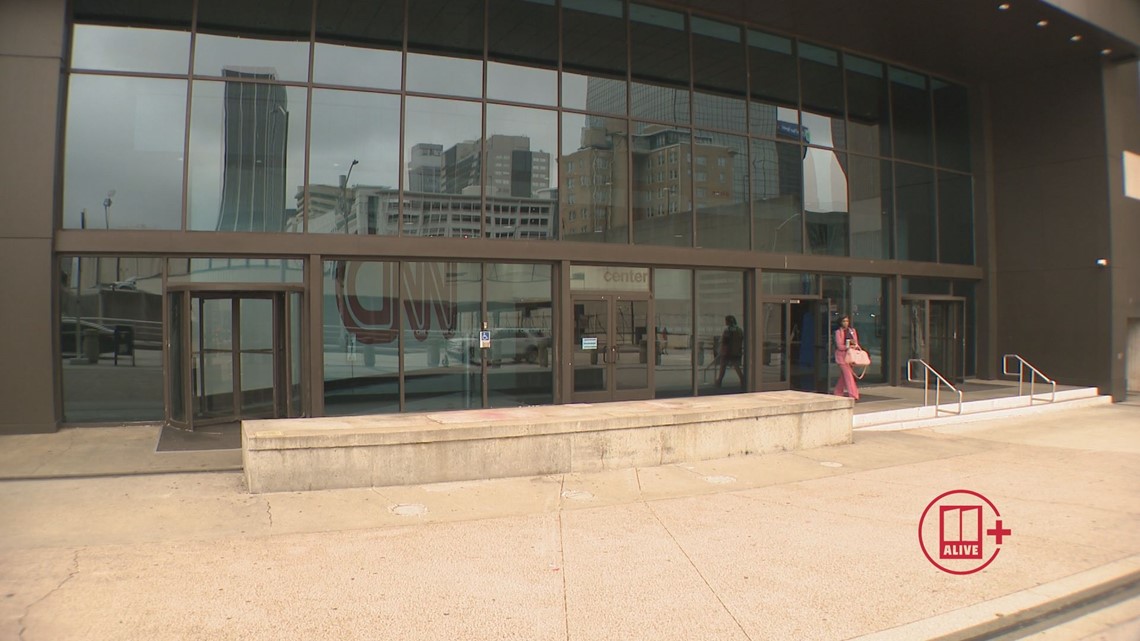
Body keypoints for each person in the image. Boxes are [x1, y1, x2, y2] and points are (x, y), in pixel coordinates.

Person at [833, 314, 861, 401]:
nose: (846, 323)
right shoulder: (838, 332)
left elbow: (856, 343)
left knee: (844, 376)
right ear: (840, 322)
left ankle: (838, 392)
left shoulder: (852, 331)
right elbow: (839, 346)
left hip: (850, 356)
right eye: (844, 321)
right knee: (848, 376)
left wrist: (854, 345)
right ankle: (853, 394)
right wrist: (847, 346)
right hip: (842, 357)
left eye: (847, 321)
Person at [715, 315, 744, 388]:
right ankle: (742, 380)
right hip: (736, 352)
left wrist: (721, 351)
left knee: (723, 367)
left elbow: (725, 342)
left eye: (726, 320)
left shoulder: (727, 330)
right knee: (737, 367)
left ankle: (719, 381)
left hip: (727, 352)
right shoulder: (739, 330)